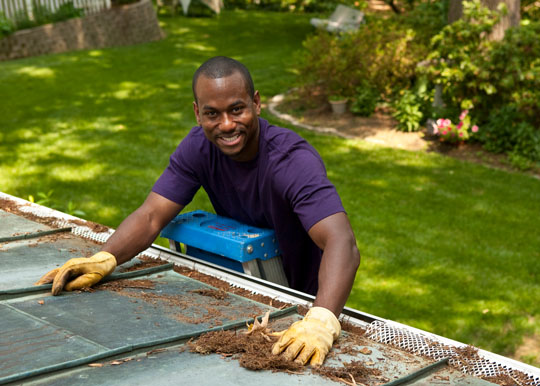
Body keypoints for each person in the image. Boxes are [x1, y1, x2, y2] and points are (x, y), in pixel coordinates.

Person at [35, 56, 361, 367]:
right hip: (244, 292)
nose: (227, 124)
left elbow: (341, 243)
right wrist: (104, 258)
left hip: (302, 305)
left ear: (256, 103)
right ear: (197, 113)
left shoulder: (292, 161)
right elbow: (151, 215)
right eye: (212, 114)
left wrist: (321, 320)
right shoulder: (198, 149)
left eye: (237, 109)